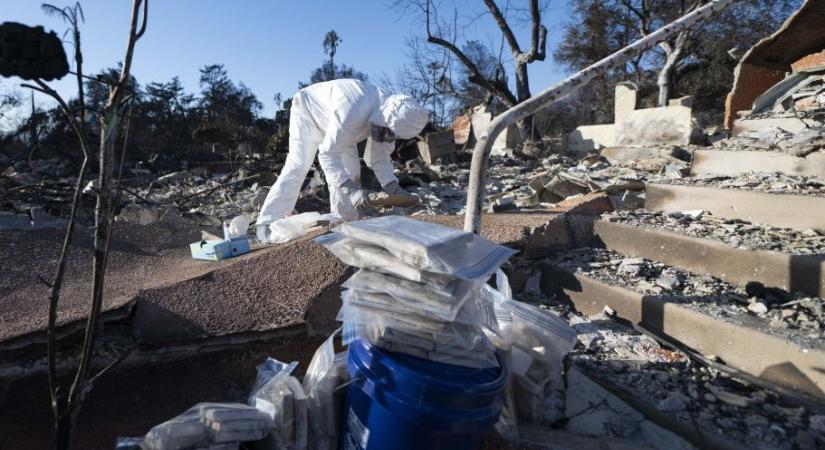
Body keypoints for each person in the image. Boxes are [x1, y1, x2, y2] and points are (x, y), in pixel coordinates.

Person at [256, 79, 429, 228]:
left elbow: (380, 157)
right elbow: (326, 154)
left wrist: (393, 186)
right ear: (385, 116)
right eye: (386, 130)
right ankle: (268, 221)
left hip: (340, 126)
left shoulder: (392, 119)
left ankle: (344, 222)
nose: (386, 134)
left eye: (392, 134)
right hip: (308, 111)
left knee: (351, 171)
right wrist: (352, 191)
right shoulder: (354, 107)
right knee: (299, 164)